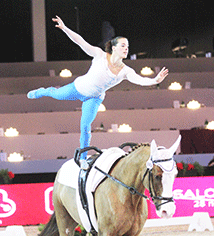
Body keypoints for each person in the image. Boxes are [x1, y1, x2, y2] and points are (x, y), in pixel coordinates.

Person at [27, 16, 169, 168]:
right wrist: (65, 28)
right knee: (55, 94)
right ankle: (41, 91)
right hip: (78, 88)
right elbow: (80, 41)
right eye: (123, 45)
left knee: (85, 126)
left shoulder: (125, 71)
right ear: (113, 47)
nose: (126, 48)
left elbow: (140, 80)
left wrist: (155, 81)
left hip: (93, 99)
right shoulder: (100, 55)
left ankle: (82, 158)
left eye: (127, 46)